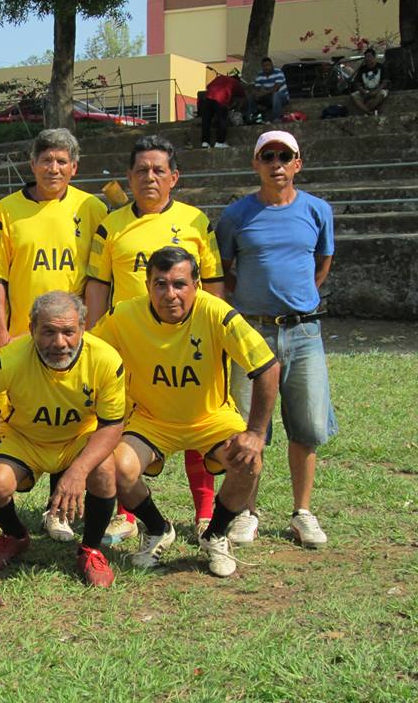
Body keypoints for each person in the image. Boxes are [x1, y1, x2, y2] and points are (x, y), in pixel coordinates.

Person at [94, 247, 280, 577]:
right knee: (113, 467)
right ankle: (156, 528)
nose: (170, 294)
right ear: (147, 284)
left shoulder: (217, 313)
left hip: (211, 418)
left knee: (249, 462)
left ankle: (216, 535)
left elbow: (267, 367)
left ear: (196, 284)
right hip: (151, 419)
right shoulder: (123, 315)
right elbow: (89, 356)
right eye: (160, 284)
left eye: (179, 284)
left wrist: (254, 433)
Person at [84, 134, 224, 545]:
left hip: (187, 343)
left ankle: (204, 513)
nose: (150, 177)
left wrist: (215, 334)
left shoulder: (197, 222)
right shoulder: (111, 225)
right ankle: (128, 516)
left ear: (174, 177)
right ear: (128, 177)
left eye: (158, 170)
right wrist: (96, 341)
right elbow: (96, 285)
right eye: (141, 170)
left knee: (198, 422)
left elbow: (212, 283)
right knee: (122, 427)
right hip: (129, 346)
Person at [0, 291, 124, 585]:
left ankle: (90, 550)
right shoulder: (9, 357)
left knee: (103, 471)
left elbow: (112, 424)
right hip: (23, 438)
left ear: (83, 329)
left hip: (77, 438)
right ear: (32, 328)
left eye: (68, 332)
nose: (59, 343)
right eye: (48, 331)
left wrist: (78, 471)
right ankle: (15, 536)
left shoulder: (106, 359)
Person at [0, 127, 109, 544]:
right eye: (46, 160)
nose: (53, 168)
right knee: (7, 414)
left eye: (62, 161)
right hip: (22, 337)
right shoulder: (6, 209)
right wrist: (0, 331)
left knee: (73, 416)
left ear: (74, 168)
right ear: (31, 163)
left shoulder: (92, 208)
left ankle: (60, 511)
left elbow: (97, 275)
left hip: (71, 339)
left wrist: (96, 329)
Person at [216, 130, 337, 549]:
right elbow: (225, 270)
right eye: (268, 156)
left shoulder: (318, 211)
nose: (277, 164)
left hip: (304, 332)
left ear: (298, 163)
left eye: (285, 156)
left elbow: (323, 261)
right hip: (253, 333)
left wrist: (298, 300)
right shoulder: (236, 216)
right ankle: (246, 511)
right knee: (249, 428)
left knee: (305, 425)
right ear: (256, 164)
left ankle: (302, 512)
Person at [200, 71, 245, 148]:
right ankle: (220, 142)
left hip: (208, 99)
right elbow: (243, 98)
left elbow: (208, 86)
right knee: (222, 120)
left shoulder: (220, 77)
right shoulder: (236, 83)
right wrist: (237, 109)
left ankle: (205, 142)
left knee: (206, 120)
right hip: (221, 99)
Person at [350, 48, 390, 115]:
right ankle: (369, 112)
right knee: (354, 96)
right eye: (366, 57)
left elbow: (385, 82)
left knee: (382, 94)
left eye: (369, 56)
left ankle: (367, 111)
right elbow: (357, 83)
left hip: (378, 90)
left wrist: (375, 91)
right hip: (366, 91)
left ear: (374, 57)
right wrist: (363, 91)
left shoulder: (381, 67)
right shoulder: (362, 69)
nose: (367, 59)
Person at [248, 57, 289, 123]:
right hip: (268, 97)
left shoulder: (278, 72)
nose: (266, 67)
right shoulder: (260, 75)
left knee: (276, 95)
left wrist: (264, 93)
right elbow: (256, 88)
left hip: (281, 97)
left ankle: (277, 118)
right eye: (264, 66)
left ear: (272, 65)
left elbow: (276, 88)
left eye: (268, 65)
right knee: (252, 97)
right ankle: (252, 117)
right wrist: (256, 94)